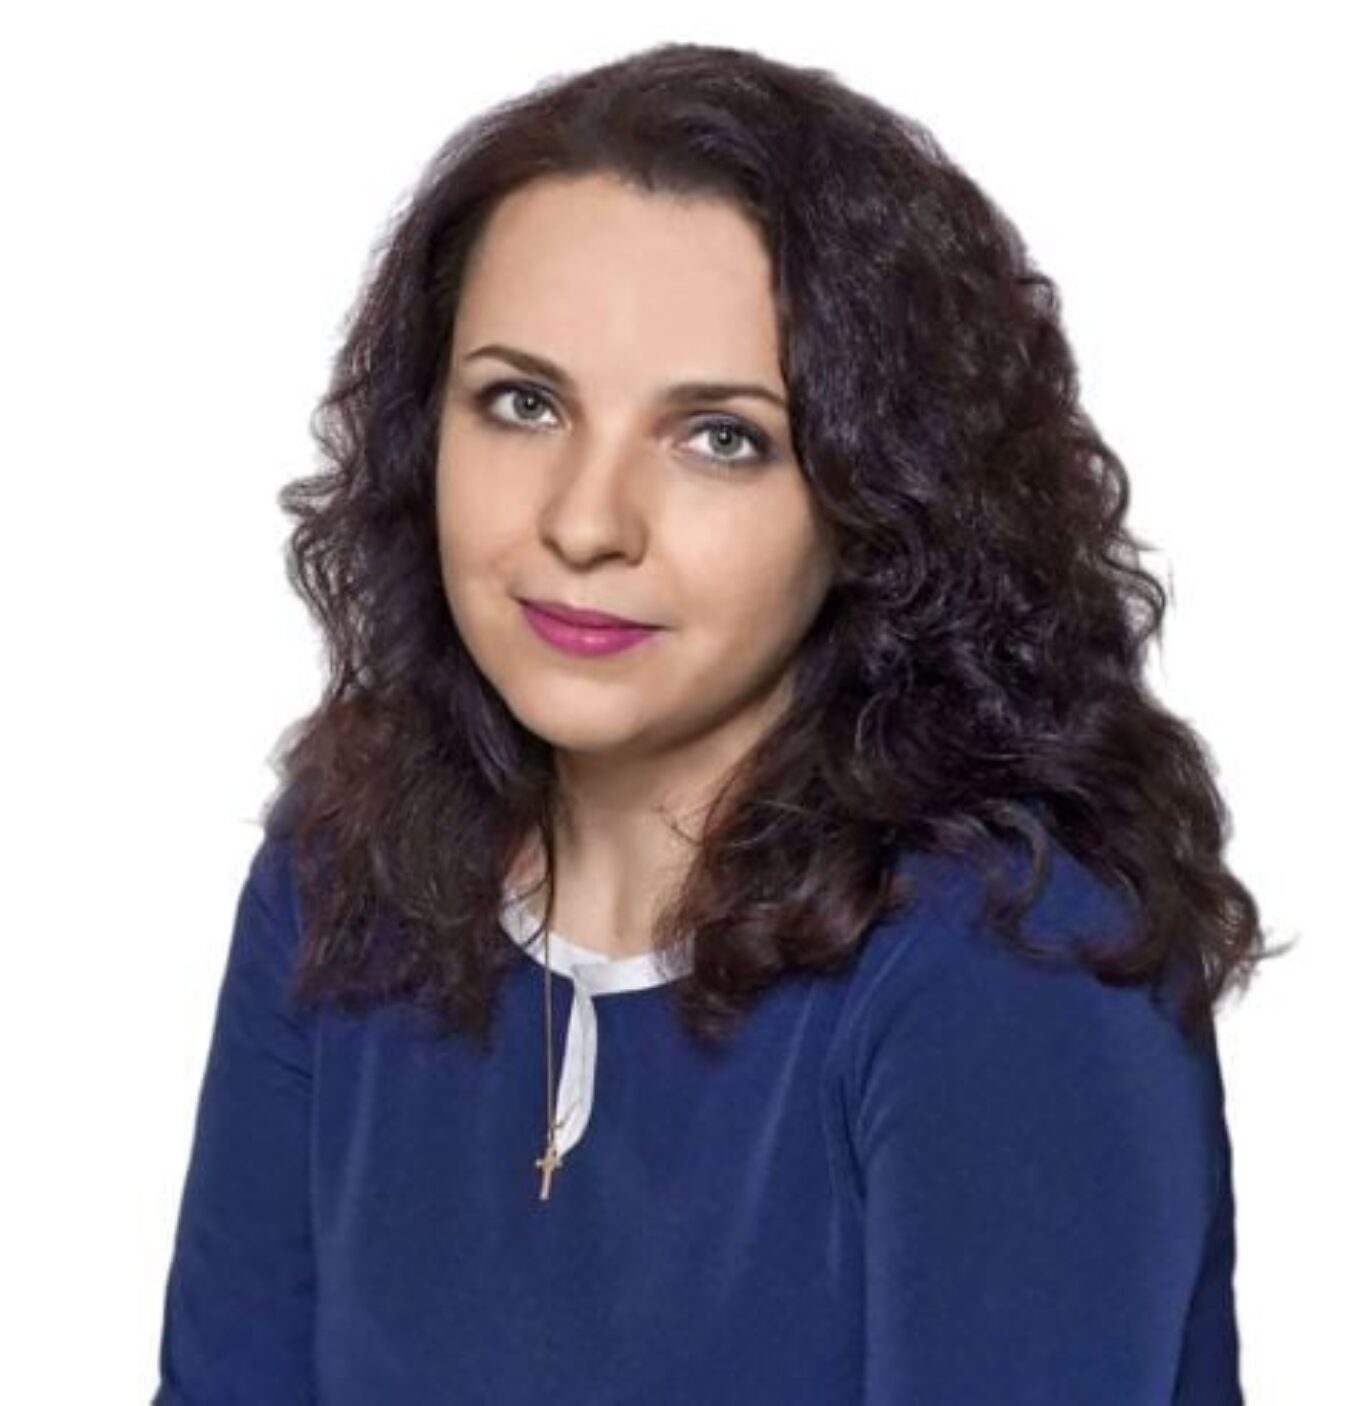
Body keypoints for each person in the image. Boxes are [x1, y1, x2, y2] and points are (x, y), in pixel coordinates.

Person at [152, 40, 1272, 1403]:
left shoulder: (1006, 961)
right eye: (522, 403)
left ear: (881, 495)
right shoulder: (345, 868)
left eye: (721, 437)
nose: (584, 522)